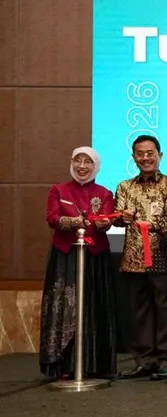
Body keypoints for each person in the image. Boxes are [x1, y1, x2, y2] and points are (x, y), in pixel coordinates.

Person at [40, 147, 117, 379]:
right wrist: (73, 221)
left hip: (95, 257)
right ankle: (62, 365)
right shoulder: (58, 190)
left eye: (88, 162)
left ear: (96, 166)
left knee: (94, 306)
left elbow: (107, 218)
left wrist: (104, 223)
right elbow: (52, 218)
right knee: (64, 308)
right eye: (78, 161)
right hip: (65, 256)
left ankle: (95, 366)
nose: (82, 166)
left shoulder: (104, 193)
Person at [115, 135, 167, 381]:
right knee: (139, 312)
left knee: (166, 312)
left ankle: (166, 361)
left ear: (159, 155)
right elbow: (117, 216)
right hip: (133, 259)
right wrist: (122, 217)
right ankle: (145, 361)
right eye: (140, 154)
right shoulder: (124, 186)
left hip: (163, 256)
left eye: (150, 153)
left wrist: (152, 225)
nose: (145, 158)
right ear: (133, 157)